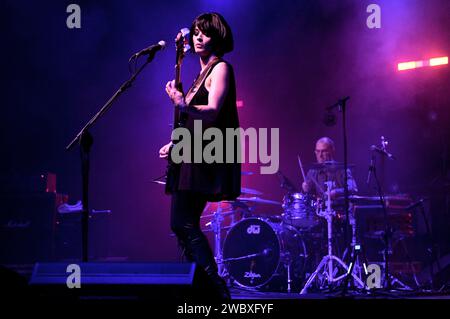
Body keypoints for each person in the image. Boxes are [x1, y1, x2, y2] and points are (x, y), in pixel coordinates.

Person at [159, 12, 240, 300]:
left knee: (182, 222)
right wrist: (177, 144)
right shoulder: (199, 73)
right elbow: (194, 123)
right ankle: (205, 288)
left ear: (217, 37)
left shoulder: (220, 69)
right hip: (195, 151)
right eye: (195, 31)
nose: (198, 37)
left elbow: (214, 110)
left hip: (209, 153)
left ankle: (215, 288)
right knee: (183, 222)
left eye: (204, 32)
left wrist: (183, 103)